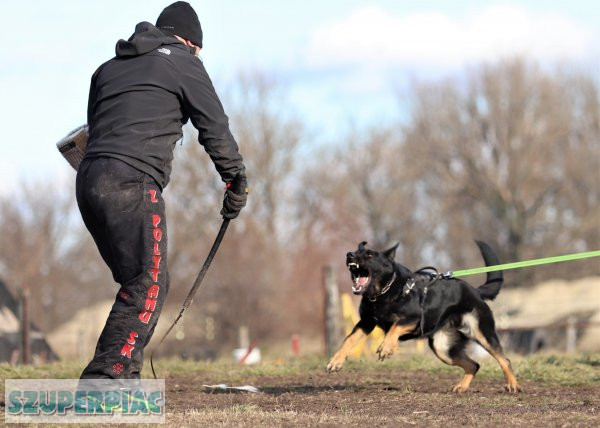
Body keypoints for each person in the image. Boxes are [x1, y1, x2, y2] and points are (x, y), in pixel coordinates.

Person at [76, 1, 247, 380]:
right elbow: (214, 125)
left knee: (137, 282)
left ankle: (125, 375)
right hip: (132, 182)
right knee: (148, 284)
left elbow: (94, 127)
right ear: (190, 41)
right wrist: (236, 178)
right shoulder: (184, 61)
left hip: (88, 180)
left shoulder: (107, 68)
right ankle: (106, 378)